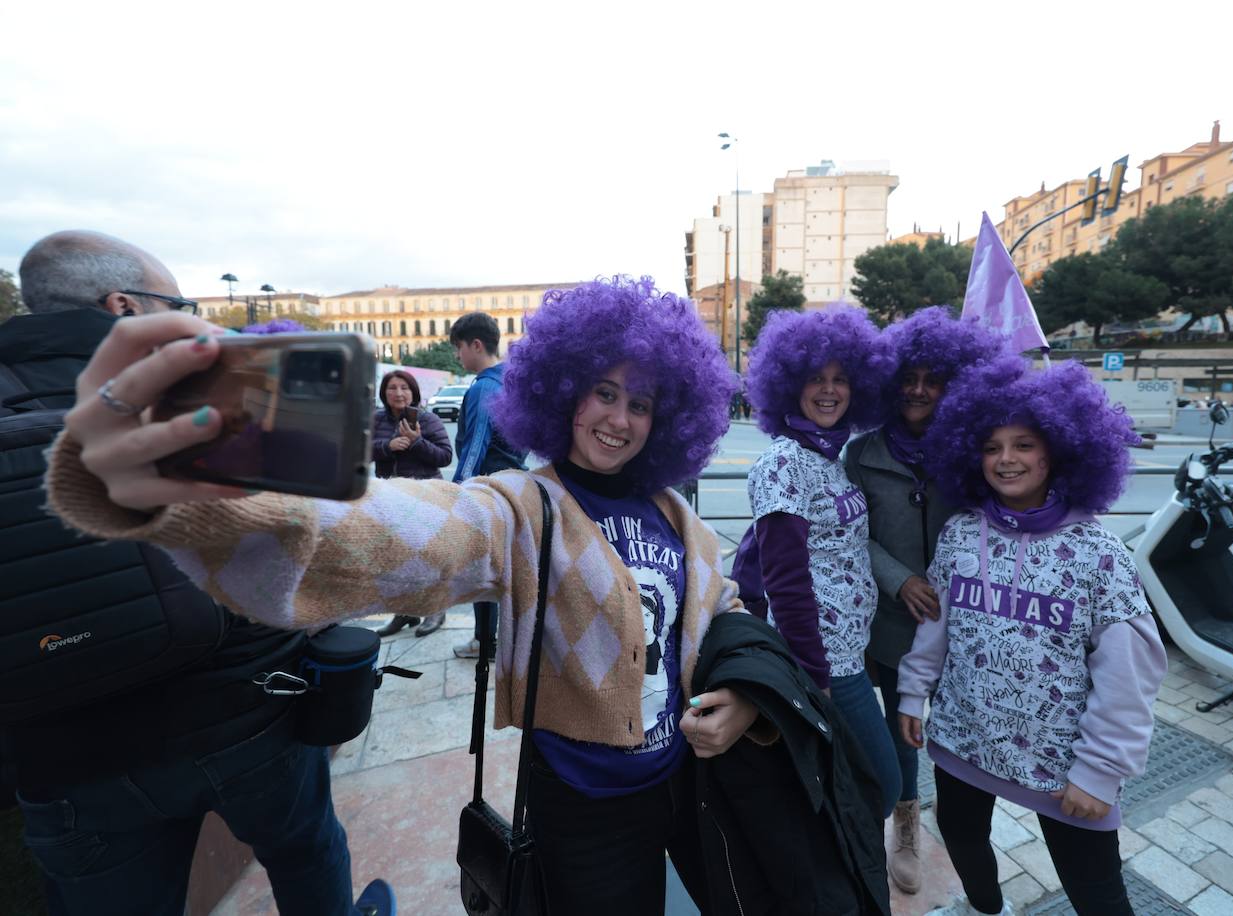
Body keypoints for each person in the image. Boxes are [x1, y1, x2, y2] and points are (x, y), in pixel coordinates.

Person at [42, 276, 793, 916]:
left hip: (685, 783)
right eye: (603, 392)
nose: (619, 419)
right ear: (564, 394)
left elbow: (720, 608)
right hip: (582, 801)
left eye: (641, 404)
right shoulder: (519, 507)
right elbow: (403, 532)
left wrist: (744, 694)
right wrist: (194, 495)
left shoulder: (674, 512)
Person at [0, 230, 392, 916]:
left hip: (66, 759)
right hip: (245, 719)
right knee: (308, 856)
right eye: (174, 303)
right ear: (123, 305)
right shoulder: (210, 397)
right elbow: (303, 547)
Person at [898, 361, 1168, 916]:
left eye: (1024, 443)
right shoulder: (960, 533)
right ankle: (985, 908)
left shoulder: (1100, 555)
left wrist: (1099, 771)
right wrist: (912, 692)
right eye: (992, 446)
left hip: (1062, 768)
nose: (1006, 459)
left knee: (1098, 894)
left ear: (1058, 452)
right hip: (961, 742)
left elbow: (1130, 676)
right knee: (965, 844)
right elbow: (935, 627)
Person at [843, 307, 1015, 896]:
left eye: (932, 379)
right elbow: (848, 533)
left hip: (963, 623)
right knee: (900, 729)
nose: (918, 390)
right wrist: (898, 578)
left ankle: (967, 831)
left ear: (954, 385)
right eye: (908, 378)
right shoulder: (861, 453)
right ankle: (906, 824)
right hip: (889, 621)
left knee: (958, 728)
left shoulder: (971, 451)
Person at [737, 306, 902, 818]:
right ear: (789, 386)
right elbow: (785, 581)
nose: (829, 390)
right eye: (815, 379)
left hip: (849, 654)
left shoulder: (831, 459)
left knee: (839, 783)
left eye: (840, 379)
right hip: (823, 662)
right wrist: (816, 675)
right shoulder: (783, 463)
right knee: (883, 784)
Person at [447, 312, 527, 658]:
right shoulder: (513, 383)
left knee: (483, 572)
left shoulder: (484, 387)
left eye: (458, 348)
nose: (457, 356)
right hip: (513, 488)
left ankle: (485, 643)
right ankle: (503, 641)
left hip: (486, 491)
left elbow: (476, 444)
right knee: (506, 570)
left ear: (476, 345)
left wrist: (456, 495)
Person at [372, 368, 454, 637]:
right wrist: (387, 446)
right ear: (384, 393)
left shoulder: (427, 420)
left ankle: (435, 611)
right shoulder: (376, 419)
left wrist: (417, 442)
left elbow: (445, 456)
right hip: (389, 498)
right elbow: (357, 449)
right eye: (392, 387)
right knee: (396, 558)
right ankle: (404, 613)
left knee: (429, 557)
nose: (398, 393)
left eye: (404, 387)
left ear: (414, 392)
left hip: (424, 498)